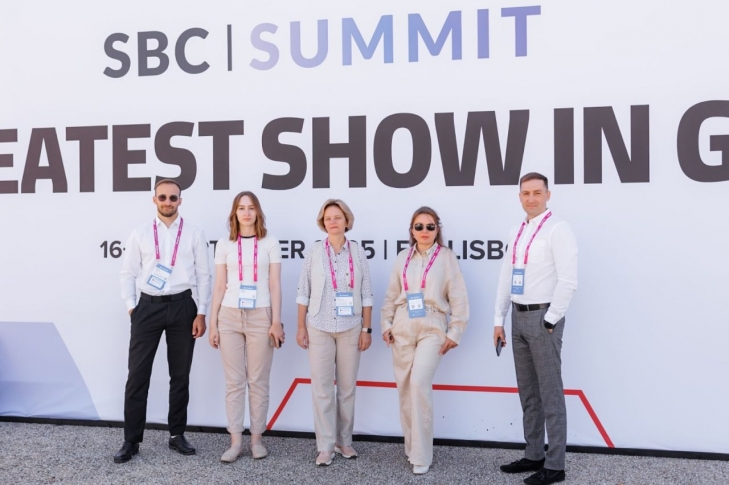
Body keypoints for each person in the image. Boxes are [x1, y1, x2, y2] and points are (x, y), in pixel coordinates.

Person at [115, 179, 211, 463]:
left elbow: (204, 275)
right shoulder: (141, 233)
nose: (168, 202)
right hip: (148, 307)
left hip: (183, 307)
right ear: (154, 199)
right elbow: (127, 273)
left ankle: (176, 434)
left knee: (180, 375)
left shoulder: (194, 233)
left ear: (180, 200)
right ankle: (131, 440)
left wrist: (202, 312)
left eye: (173, 197)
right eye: (163, 197)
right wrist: (132, 308)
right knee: (137, 376)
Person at [493, 172, 578, 485]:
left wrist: (551, 318)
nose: (531, 198)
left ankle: (555, 466)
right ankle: (533, 454)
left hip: (543, 318)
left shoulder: (558, 229)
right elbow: (506, 276)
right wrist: (499, 319)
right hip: (517, 317)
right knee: (528, 392)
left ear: (548, 195)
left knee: (550, 394)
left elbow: (568, 279)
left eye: (537, 192)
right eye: (526, 193)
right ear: (519, 196)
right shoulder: (517, 230)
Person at [380, 206, 469, 475]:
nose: (424, 231)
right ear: (411, 230)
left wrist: (455, 332)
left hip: (432, 324)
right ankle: (412, 447)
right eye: (419, 226)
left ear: (437, 229)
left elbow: (458, 296)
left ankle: (422, 454)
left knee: (419, 383)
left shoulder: (446, 257)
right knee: (405, 388)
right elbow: (391, 294)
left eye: (430, 226)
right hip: (402, 324)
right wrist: (386, 324)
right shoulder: (402, 257)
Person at [295, 199, 374, 466]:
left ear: (346, 221)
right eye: (328, 218)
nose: (332, 221)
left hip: (351, 327)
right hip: (319, 326)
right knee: (322, 389)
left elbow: (366, 293)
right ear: (322, 222)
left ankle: (344, 441)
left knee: (347, 389)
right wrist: (300, 326)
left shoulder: (358, 251)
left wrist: (366, 329)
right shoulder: (314, 251)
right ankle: (325, 445)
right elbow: (303, 291)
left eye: (337, 217)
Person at [208, 191, 284, 463]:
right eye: (241, 208)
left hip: (261, 315)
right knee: (234, 382)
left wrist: (276, 321)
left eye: (251, 208)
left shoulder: (270, 242)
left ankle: (257, 440)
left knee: (258, 380)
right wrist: (213, 323)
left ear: (258, 212)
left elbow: (274, 284)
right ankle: (236, 441)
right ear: (235, 213)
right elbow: (219, 285)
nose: (247, 213)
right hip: (229, 315)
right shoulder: (224, 244)